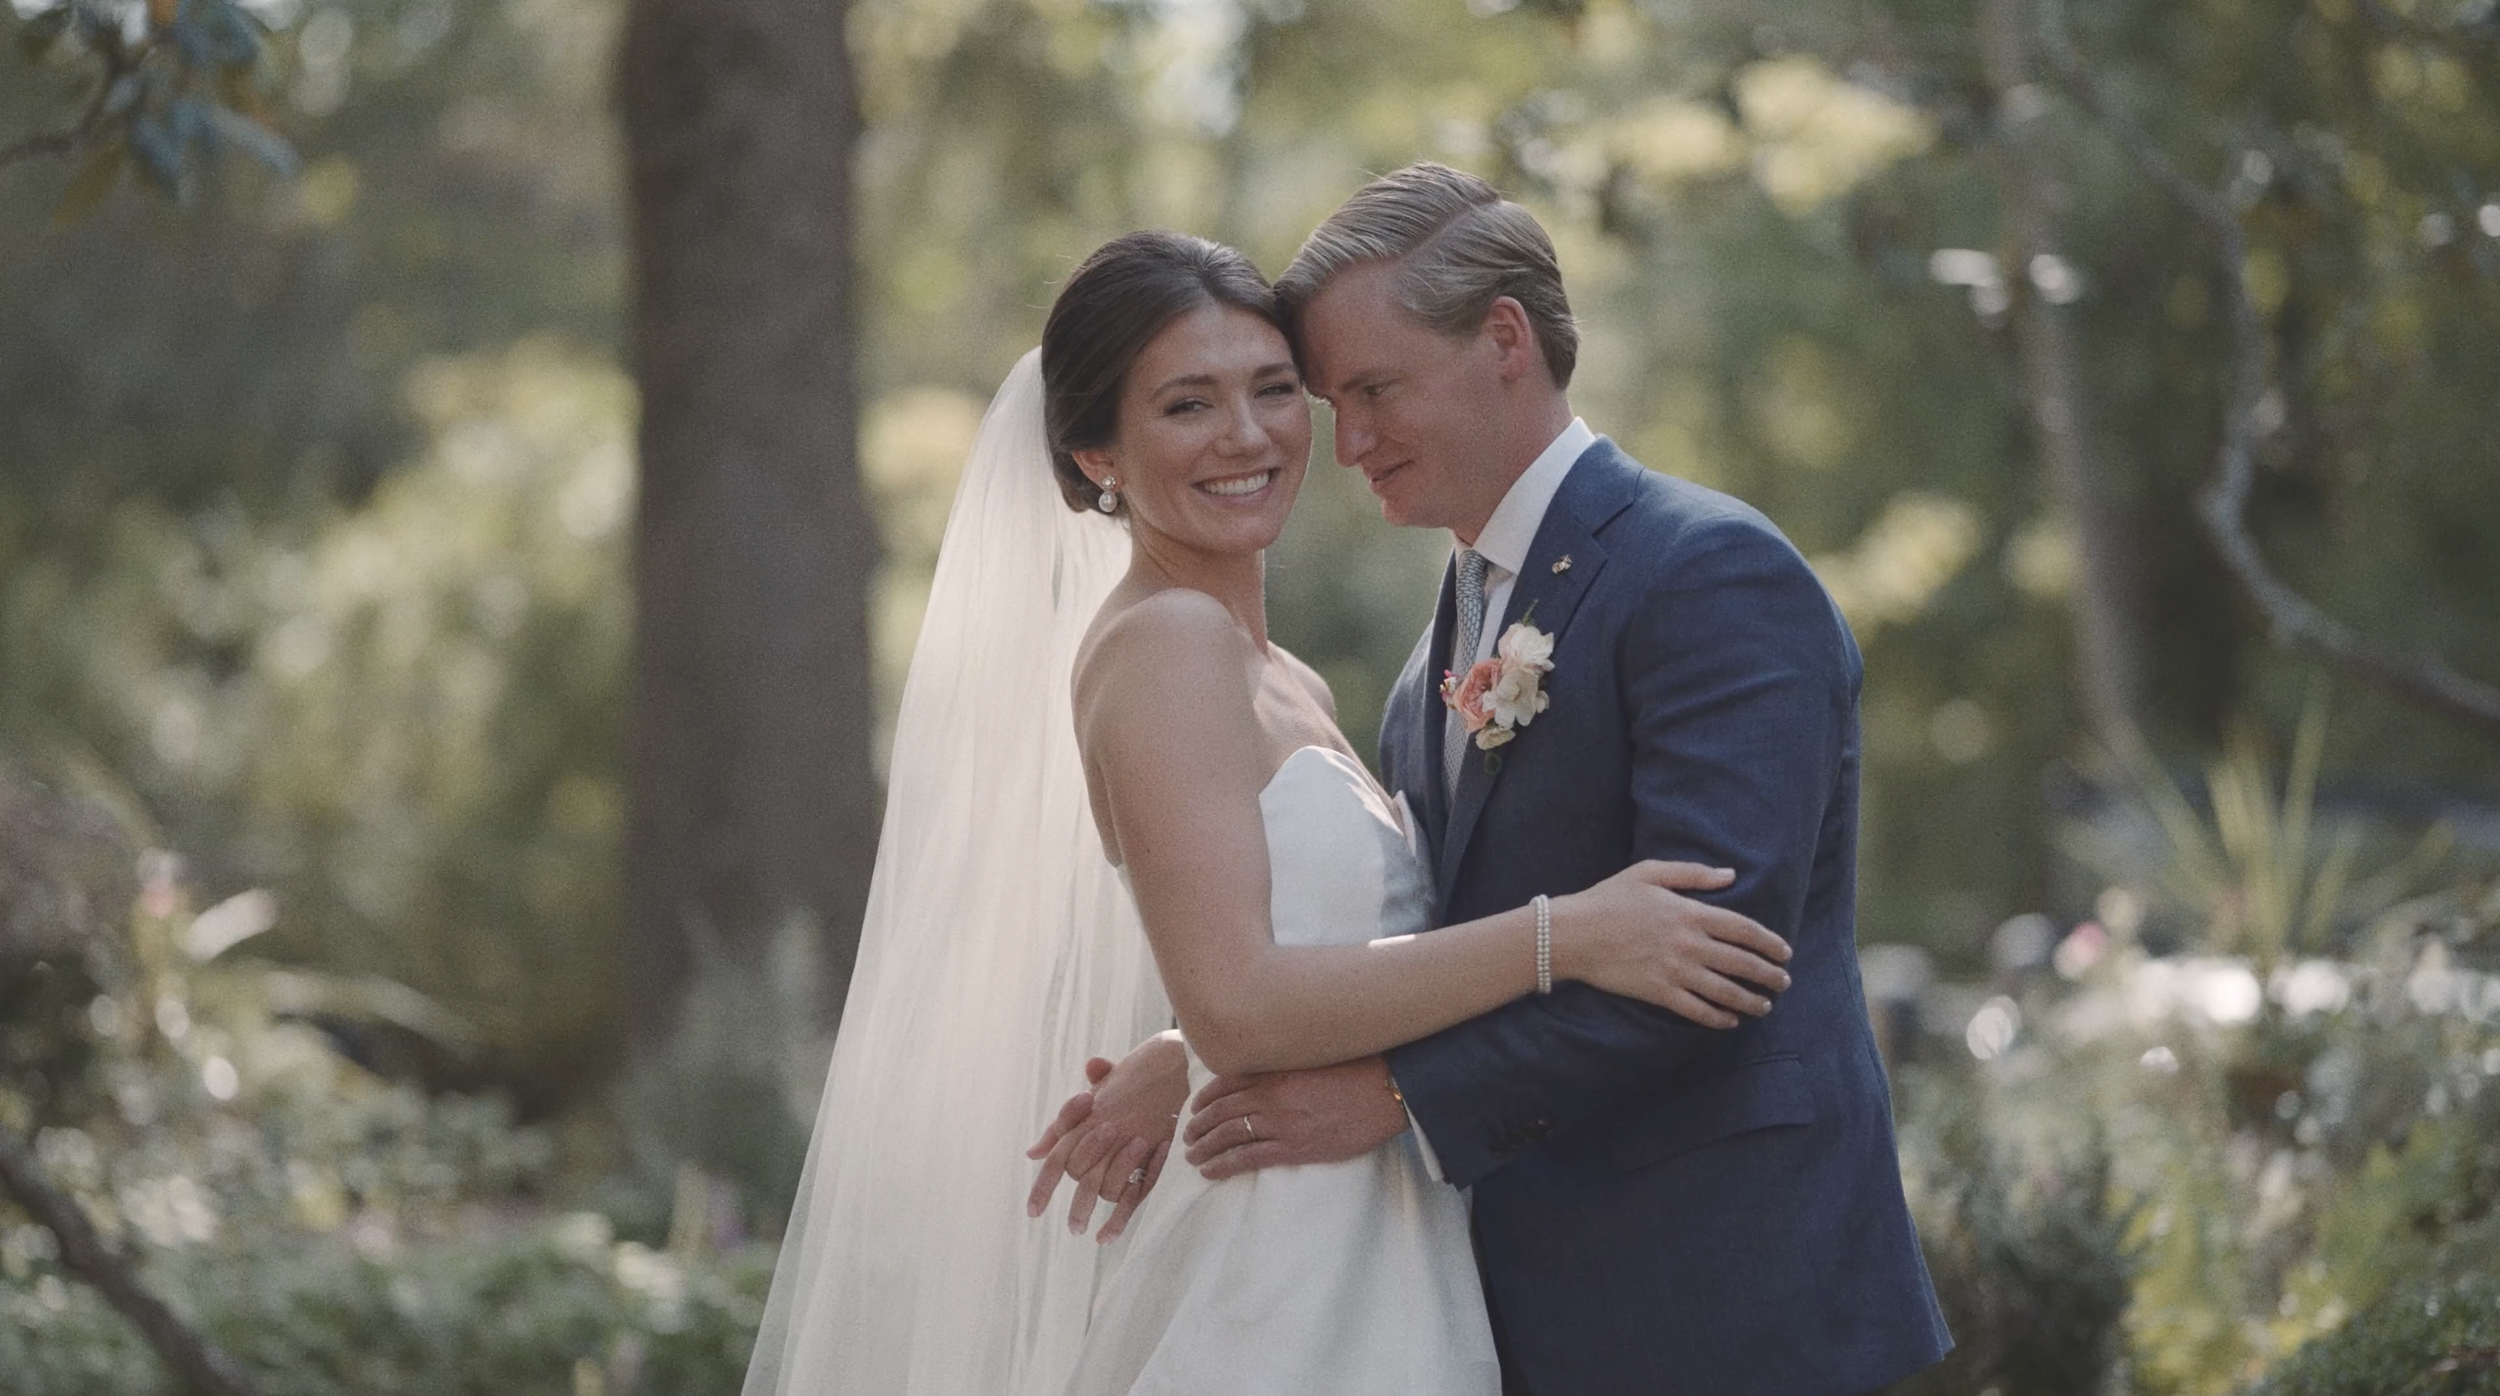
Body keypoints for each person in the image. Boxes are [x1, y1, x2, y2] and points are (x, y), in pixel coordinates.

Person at [741, 228, 1791, 1396]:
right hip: (1281, 1266)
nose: (1247, 434)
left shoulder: (1292, 678)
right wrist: (1568, 934)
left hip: (1379, 1233)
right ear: (1097, 453)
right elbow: (1243, 1006)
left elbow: (1293, 960)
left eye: (1275, 389)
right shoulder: (1167, 644)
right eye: (1187, 404)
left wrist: (1178, 1053)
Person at [1028, 166, 1954, 1396]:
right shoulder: (1430, 662)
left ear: (1504, 339)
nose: (1345, 443)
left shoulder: (1707, 573)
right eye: (1333, 402)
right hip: (1500, 1306)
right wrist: (1193, 1048)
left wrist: (1394, 1096)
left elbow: (1710, 952)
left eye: (1370, 391)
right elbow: (1410, 937)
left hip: (1725, 1303)